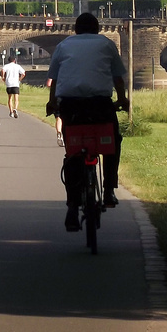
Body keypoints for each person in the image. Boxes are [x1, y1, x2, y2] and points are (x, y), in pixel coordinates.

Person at [45, 12, 129, 231]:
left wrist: (52, 103)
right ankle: (109, 189)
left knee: (73, 154)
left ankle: (73, 206)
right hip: (100, 104)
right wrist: (122, 99)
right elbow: (118, 78)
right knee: (113, 142)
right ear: (98, 28)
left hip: (71, 106)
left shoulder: (63, 45)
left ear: (75, 29)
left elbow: (54, 79)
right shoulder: (106, 43)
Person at [1, 53, 26, 118]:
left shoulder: (6, 66)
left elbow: (3, 70)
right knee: (16, 98)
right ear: (14, 60)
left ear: (8, 60)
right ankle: (15, 108)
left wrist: (3, 77)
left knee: (10, 98)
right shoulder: (17, 66)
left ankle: (11, 112)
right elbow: (23, 73)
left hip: (9, 83)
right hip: (15, 83)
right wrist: (19, 79)